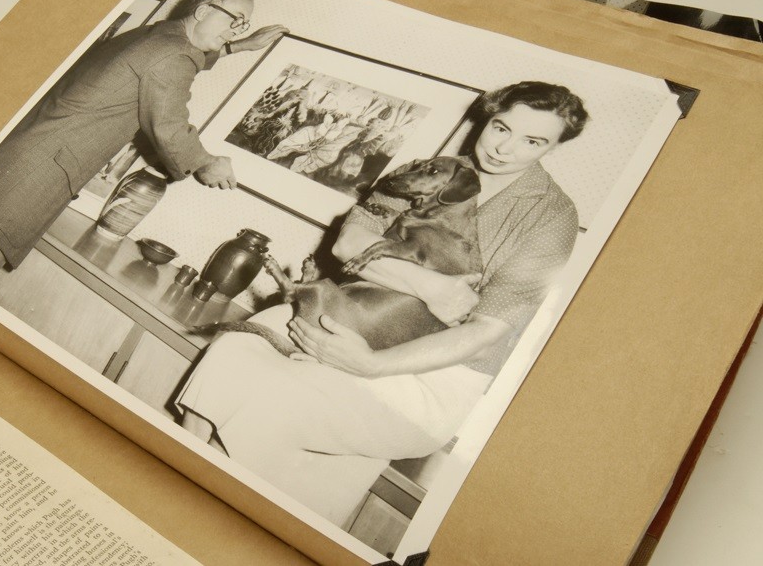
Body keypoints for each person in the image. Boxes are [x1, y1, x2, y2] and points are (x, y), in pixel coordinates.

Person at [176, 81, 589, 526]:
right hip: (354, 309)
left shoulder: (552, 217)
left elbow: (485, 330)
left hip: (432, 373)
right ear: (487, 118)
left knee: (276, 400)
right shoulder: (432, 170)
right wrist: (431, 287)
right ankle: (175, 491)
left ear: (554, 146)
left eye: (533, 141)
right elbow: (349, 242)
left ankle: (212, 519)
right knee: (230, 354)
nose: (505, 149)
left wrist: (371, 364)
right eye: (501, 127)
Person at [0, 0, 288, 289]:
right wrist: (206, 163)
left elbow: (181, 57)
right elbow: (170, 125)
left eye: (245, 25)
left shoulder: (160, 35)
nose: (238, 30)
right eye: (234, 20)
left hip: (12, 166)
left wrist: (237, 47)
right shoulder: (174, 54)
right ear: (203, 9)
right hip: (25, 183)